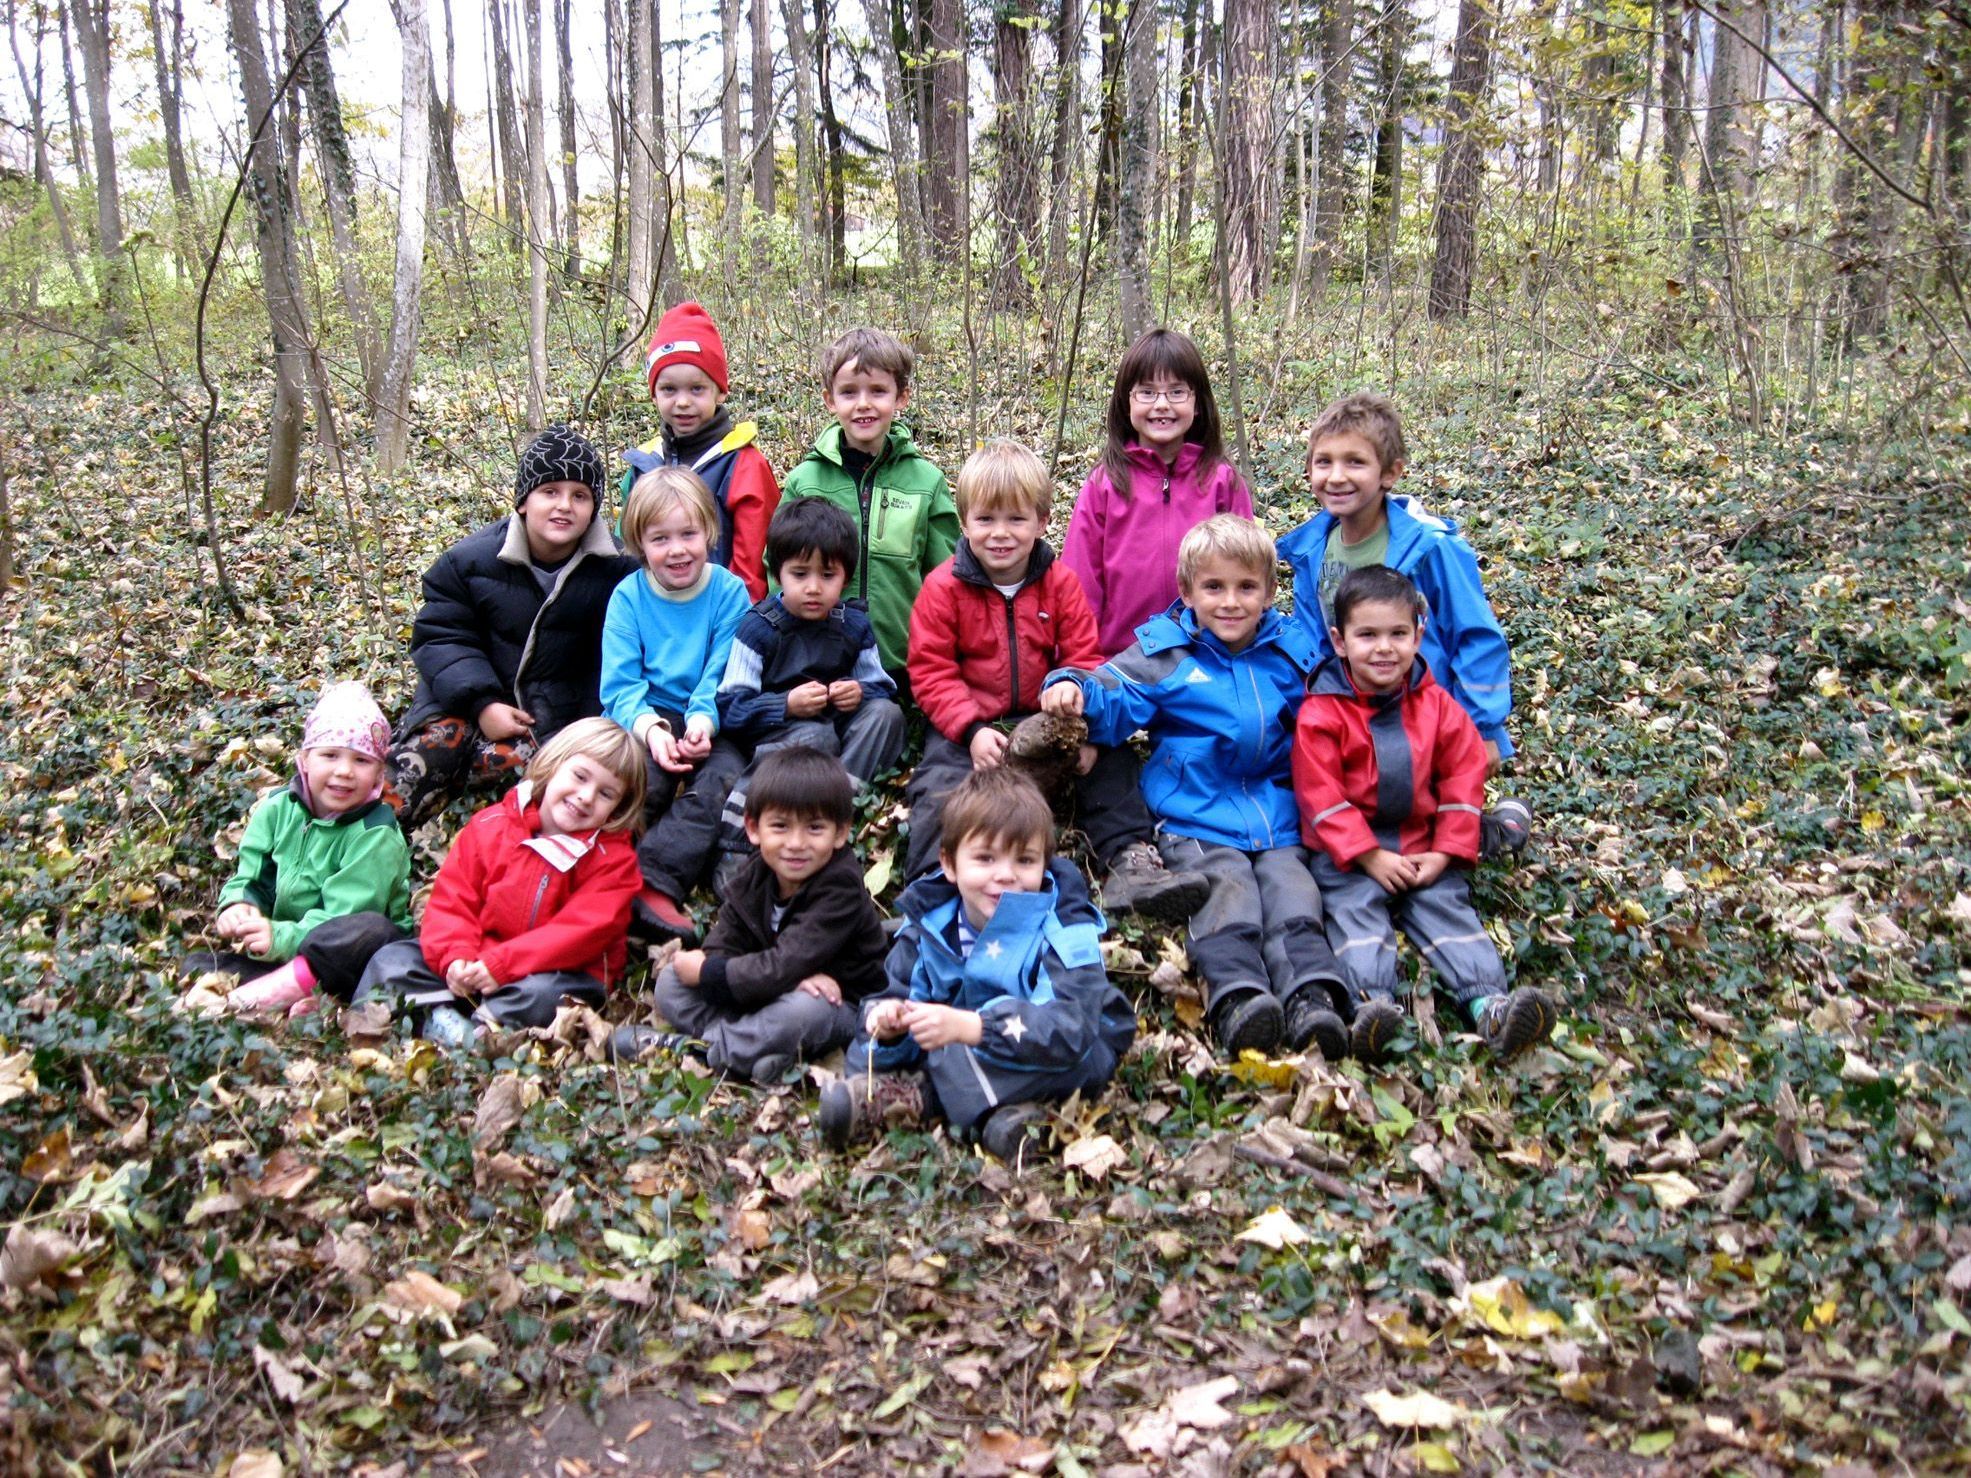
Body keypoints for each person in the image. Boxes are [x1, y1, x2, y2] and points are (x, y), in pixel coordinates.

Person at [1044, 516, 1351, 1061]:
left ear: (1268, 592)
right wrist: (1072, 687)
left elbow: (1331, 721)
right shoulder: (1169, 654)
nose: (1230, 602)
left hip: (1277, 814)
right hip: (1197, 815)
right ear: (1187, 592)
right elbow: (1115, 693)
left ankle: (1311, 996)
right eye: (1214, 588)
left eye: (1245, 588)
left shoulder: (1292, 654)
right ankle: (1239, 998)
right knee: (1226, 889)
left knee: (1293, 894)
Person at [904, 439, 1208, 920]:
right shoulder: (943, 589)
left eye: (1016, 520)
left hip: (1047, 719)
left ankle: (1130, 862)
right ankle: (929, 883)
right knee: (939, 784)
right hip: (973, 726)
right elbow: (931, 669)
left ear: (1043, 522)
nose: (1000, 534)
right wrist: (970, 729)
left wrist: (1081, 724)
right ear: (964, 523)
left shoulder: (1061, 583)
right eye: (986, 520)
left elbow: (1083, 655)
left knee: (1114, 761)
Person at [1292, 566, 1556, 1061]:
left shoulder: (1439, 707)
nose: (1384, 648)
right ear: (1340, 641)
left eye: (1397, 634)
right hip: (1349, 856)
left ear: (1418, 634)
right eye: (1367, 635)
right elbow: (1319, 794)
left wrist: (1445, 850)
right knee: (1354, 916)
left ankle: (1489, 1005)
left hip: (1421, 842)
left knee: (1446, 909)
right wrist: (1368, 855)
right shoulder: (1322, 712)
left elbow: (1462, 779)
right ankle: (1372, 1006)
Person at [819, 767, 1134, 1163]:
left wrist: (974, 1027)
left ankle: (917, 1099)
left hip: (1066, 1048)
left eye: (1024, 860)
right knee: (915, 1045)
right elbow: (889, 1002)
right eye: (985, 858)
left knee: (1072, 1056)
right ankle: (1005, 1122)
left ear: (1044, 863)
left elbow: (1072, 1029)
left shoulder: (1063, 926)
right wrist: (889, 1027)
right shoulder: (929, 926)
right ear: (949, 864)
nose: (1005, 875)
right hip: (967, 1049)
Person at [1276, 392, 1529, 858]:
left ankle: (1499, 830)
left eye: (1355, 462)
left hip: (1426, 714)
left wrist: (1484, 727)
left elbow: (1476, 635)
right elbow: (1312, 643)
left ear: (1390, 473)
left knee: (1431, 827)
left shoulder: (1429, 548)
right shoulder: (1313, 550)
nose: (1336, 476)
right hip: (1355, 715)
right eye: (1323, 462)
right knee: (1374, 812)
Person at [386, 425, 637, 831]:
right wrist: (482, 704)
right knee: (421, 762)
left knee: (548, 788)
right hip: (464, 702)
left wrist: (583, 728)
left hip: (547, 718)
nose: (564, 506)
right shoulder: (468, 562)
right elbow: (444, 636)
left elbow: (610, 659)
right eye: (550, 491)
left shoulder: (617, 572)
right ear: (523, 501)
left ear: (594, 508)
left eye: (580, 496)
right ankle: (363, 843)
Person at [350, 717, 646, 1044]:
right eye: (579, 777)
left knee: (545, 996)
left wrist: (502, 965)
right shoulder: (491, 824)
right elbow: (453, 900)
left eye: (606, 794)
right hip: (475, 961)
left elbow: (580, 933)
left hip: (554, 973)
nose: (586, 796)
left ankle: (476, 1034)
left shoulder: (613, 861)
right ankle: (430, 1018)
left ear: (618, 809)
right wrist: (455, 957)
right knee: (393, 960)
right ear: (553, 765)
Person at [616, 747, 890, 1081]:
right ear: (753, 828)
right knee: (673, 981)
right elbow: (723, 944)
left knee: (805, 1010)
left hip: (840, 1005)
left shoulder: (840, 887)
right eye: (780, 826)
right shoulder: (756, 873)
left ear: (841, 833)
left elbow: (784, 965)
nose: (796, 843)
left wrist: (716, 973)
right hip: (771, 988)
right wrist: (710, 968)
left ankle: (700, 1053)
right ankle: (752, 1049)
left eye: (815, 828)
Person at [195, 681, 414, 1017]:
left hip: (350, 958)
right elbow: (251, 876)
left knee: (370, 930)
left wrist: (279, 937)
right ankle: (296, 996)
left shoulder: (376, 832)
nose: (344, 771)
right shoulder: (277, 808)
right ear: (305, 759)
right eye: (330, 755)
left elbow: (344, 914)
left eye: (361, 760)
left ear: (378, 776)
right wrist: (239, 907)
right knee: (198, 964)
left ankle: (309, 993)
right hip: (282, 950)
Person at [599, 466, 753, 941]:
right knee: (642, 776)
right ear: (639, 543)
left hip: (713, 716)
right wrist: (650, 729)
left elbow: (724, 668)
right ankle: (599, 873)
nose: (677, 549)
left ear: (709, 531)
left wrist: (703, 722)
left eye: (688, 533)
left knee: (721, 783)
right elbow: (620, 685)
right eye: (660, 538)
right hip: (644, 716)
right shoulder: (628, 597)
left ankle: (654, 882)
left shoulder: (729, 592)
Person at [712, 498, 907, 869]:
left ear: (845, 578)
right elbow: (730, 706)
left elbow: (881, 688)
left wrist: (859, 692)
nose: (814, 588)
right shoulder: (759, 627)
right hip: (777, 736)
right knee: (815, 737)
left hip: (835, 728)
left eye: (827, 576)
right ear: (778, 573)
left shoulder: (854, 624)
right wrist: (785, 705)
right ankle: (739, 837)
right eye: (800, 574)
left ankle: (834, 810)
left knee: (886, 716)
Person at [1061, 328, 1255, 659]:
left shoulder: (1222, 481)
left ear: (1197, 404)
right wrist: (1081, 662)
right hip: (1121, 661)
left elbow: (1249, 573)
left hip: (1208, 659)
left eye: (1177, 391)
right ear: (1126, 403)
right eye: (1147, 392)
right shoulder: (1105, 484)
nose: (1162, 405)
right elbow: (1081, 584)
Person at [779, 327, 958, 675]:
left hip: (902, 658)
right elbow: (777, 567)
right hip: (817, 657)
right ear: (830, 400)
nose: (863, 404)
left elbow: (945, 575)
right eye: (849, 392)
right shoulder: (804, 480)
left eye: (878, 391)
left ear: (901, 397)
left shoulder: (926, 482)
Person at [620, 301, 780, 600]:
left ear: (720, 391)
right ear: (653, 394)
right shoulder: (643, 465)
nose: (682, 402)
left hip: (724, 623)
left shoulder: (743, 463)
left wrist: (739, 630)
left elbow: (753, 570)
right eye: (669, 389)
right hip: (656, 621)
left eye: (697, 389)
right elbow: (630, 554)